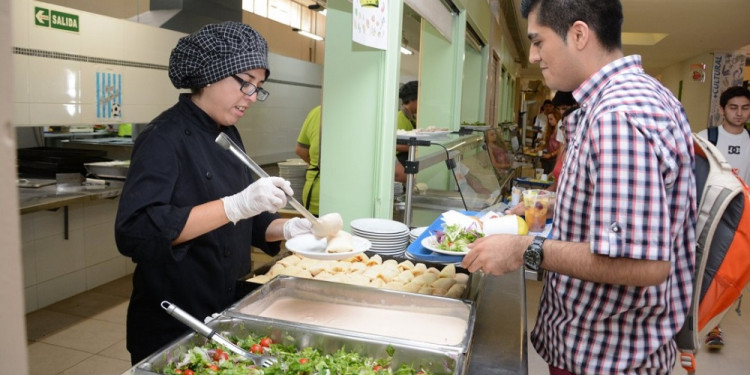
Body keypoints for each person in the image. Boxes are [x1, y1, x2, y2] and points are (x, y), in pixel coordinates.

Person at [463, 1, 696, 374]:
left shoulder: (618, 115)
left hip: (609, 358)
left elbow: (644, 264)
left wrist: (525, 248)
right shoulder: (629, 98)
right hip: (601, 350)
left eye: (538, 41)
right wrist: (552, 204)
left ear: (578, 34)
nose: (534, 55)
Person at [115, 22, 315, 364]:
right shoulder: (163, 137)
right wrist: (235, 204)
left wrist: (290, 228)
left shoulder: (229, 135)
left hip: (224, 309)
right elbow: (136, 233)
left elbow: (245, 221)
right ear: (211, 74)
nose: (251, 97)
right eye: (246, 83)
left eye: (258, 87)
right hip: (174, 319)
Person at [696, 85, 750, 350]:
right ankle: (703, 322)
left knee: (730, 274)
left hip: (739, 218)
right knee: (704, 271)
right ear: (722, 109)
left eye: (745, 108)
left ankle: (713, 324)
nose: (739, 114)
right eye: (733, 107)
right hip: (707, 215)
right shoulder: (706, 138)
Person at [295, 105, 322, 215]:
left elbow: (301, 150)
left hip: (314, 195)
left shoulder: (316, 112)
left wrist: (318, 164)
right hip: (318, 199)